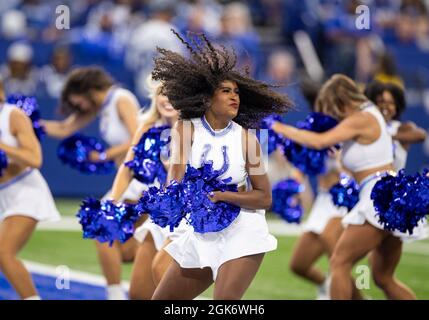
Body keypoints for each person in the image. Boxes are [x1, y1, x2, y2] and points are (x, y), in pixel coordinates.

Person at [150, 30, 292, 300]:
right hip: (202, 229)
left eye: (236, 92)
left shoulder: (248, 140)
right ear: (207, 98)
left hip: (242, 227)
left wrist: (222, 196)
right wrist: (168, 203)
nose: (233, 97)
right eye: (225, 91)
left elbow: (264, 197)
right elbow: (175, 178)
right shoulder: (185, 129)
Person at [271, 74, 425, 300]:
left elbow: (319, 141)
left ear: (340, 98)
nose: (333, 113)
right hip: (387, 194)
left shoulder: (362, 117)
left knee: (339, 262)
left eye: (333, 106)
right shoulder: (366, 118)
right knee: (383, 278)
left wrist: (278, 127)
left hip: (377, 196)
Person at [41, 66, 140, 300]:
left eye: (76, 101)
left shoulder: (120, 98)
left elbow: (140, 137)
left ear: (86, 90)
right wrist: (29, 123)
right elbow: (65, 128)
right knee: (125, 250)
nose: (77, 107)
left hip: (141, 178)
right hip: (126, 181)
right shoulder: (101, 106)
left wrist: (104, 155)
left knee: (100, 228)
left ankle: (115, 295)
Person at [108, 77, 180, 299]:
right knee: (139, 293)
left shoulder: (195, 128)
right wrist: (113, 201)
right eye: (161, 93)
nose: (166, 99)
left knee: (171, 290)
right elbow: (127, 168)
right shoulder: (148, 127)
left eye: (173, 94)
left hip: (186, 217)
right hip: (159, 216)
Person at [0, 80, 60, 300]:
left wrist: (3, 146)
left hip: (25, 191)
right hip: (3, 195)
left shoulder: (12, 115)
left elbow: (35, 158)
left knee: (3, 253)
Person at [365, 81, 426, 171]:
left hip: (393, 184)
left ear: (397, 107)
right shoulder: (365, 127)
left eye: (391, 103)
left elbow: (421, 135)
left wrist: (388, 136)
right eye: (381, 101)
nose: (386, 106)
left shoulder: (400, 128)